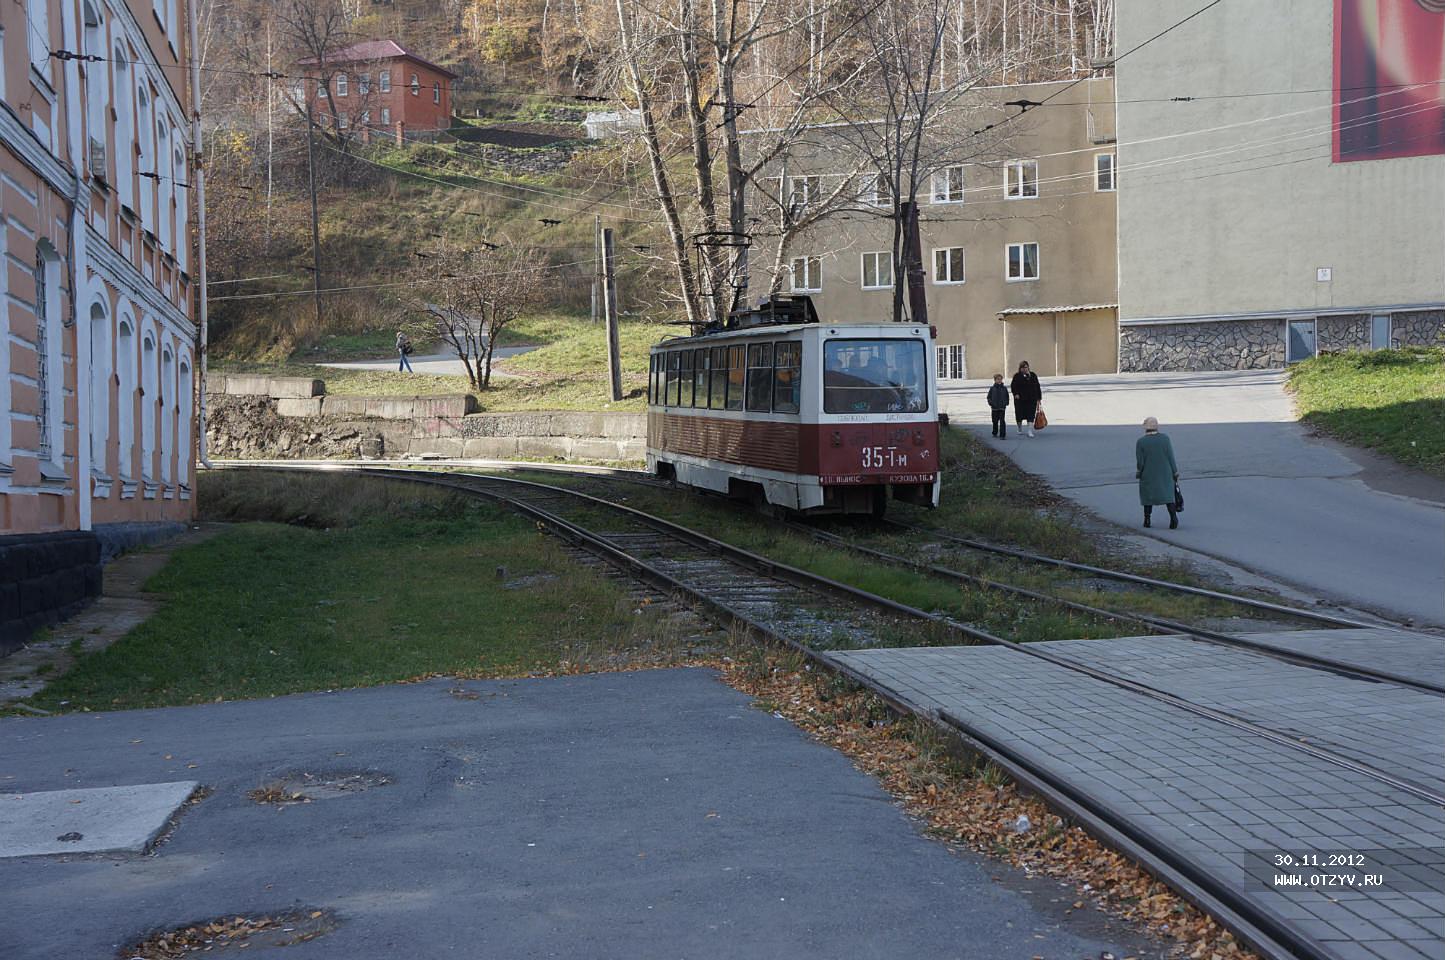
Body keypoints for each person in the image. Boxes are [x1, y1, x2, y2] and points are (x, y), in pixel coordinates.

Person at [1136, 416, 1180, 529]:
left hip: (1148, 473)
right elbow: (1171, 456)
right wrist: (1175, 471)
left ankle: (1147, 519)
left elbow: (1140, 461)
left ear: (1146, 428)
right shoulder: (1165, 439)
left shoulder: (1141, 442)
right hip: (1165, 473)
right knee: (1168, 496)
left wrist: (1139, 472)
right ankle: (1173, 518)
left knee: (1147, 497)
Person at [1010, 360, 1042, 437]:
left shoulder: (1033, 375)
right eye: (1023, 367)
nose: (1025, 369)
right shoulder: (1017, 376)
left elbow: (1037, 386)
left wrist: (1039, 398)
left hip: (1032, 399)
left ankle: (1030, 431)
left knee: (1031, 414)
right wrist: (1016, 394)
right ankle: (1019, 428)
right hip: (1020, 400)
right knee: (1019, 415)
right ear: (1020, 368)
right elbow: (1013, 386)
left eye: (1026, 367)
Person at [987, 373, 1010, 438]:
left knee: (1002, 421)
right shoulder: (992, 388)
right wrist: (991, 403)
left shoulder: (1004, 388)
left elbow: (1007, 396)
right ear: (995, 380)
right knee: (995, 421)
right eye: (998, 379)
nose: (999, 380)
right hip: (994, 408)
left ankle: (1002, 435)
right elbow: (989, 397)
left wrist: (1006, 403)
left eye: (1000, 379)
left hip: (1002, 407)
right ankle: (995, 432)